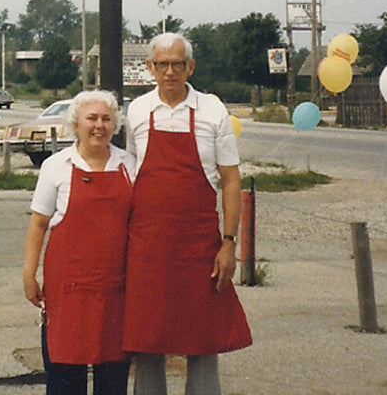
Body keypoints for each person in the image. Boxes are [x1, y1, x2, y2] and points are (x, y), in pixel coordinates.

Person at [122, 33, 251, 395]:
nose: (170, 72)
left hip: (199, 245)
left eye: (177, 64)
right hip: (147, 244)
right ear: (150, 68)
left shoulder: (212, 110)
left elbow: (230, 179)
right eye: (161, 64)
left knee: (204, 337)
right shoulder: (137, 111)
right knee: (147, 338)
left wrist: (229, 242)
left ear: (190, 66)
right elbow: (132, 171)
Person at [23, 89, 135, 395]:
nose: (99, 125)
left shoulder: (130, 166)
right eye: (92, 118)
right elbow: (38, 224)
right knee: (64, 377)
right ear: (76, 124)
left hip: (115, 289)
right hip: (67, 289)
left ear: (115, 125)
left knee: (112, 379)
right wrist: (29, 274)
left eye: (106, 119)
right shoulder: (56, 166)